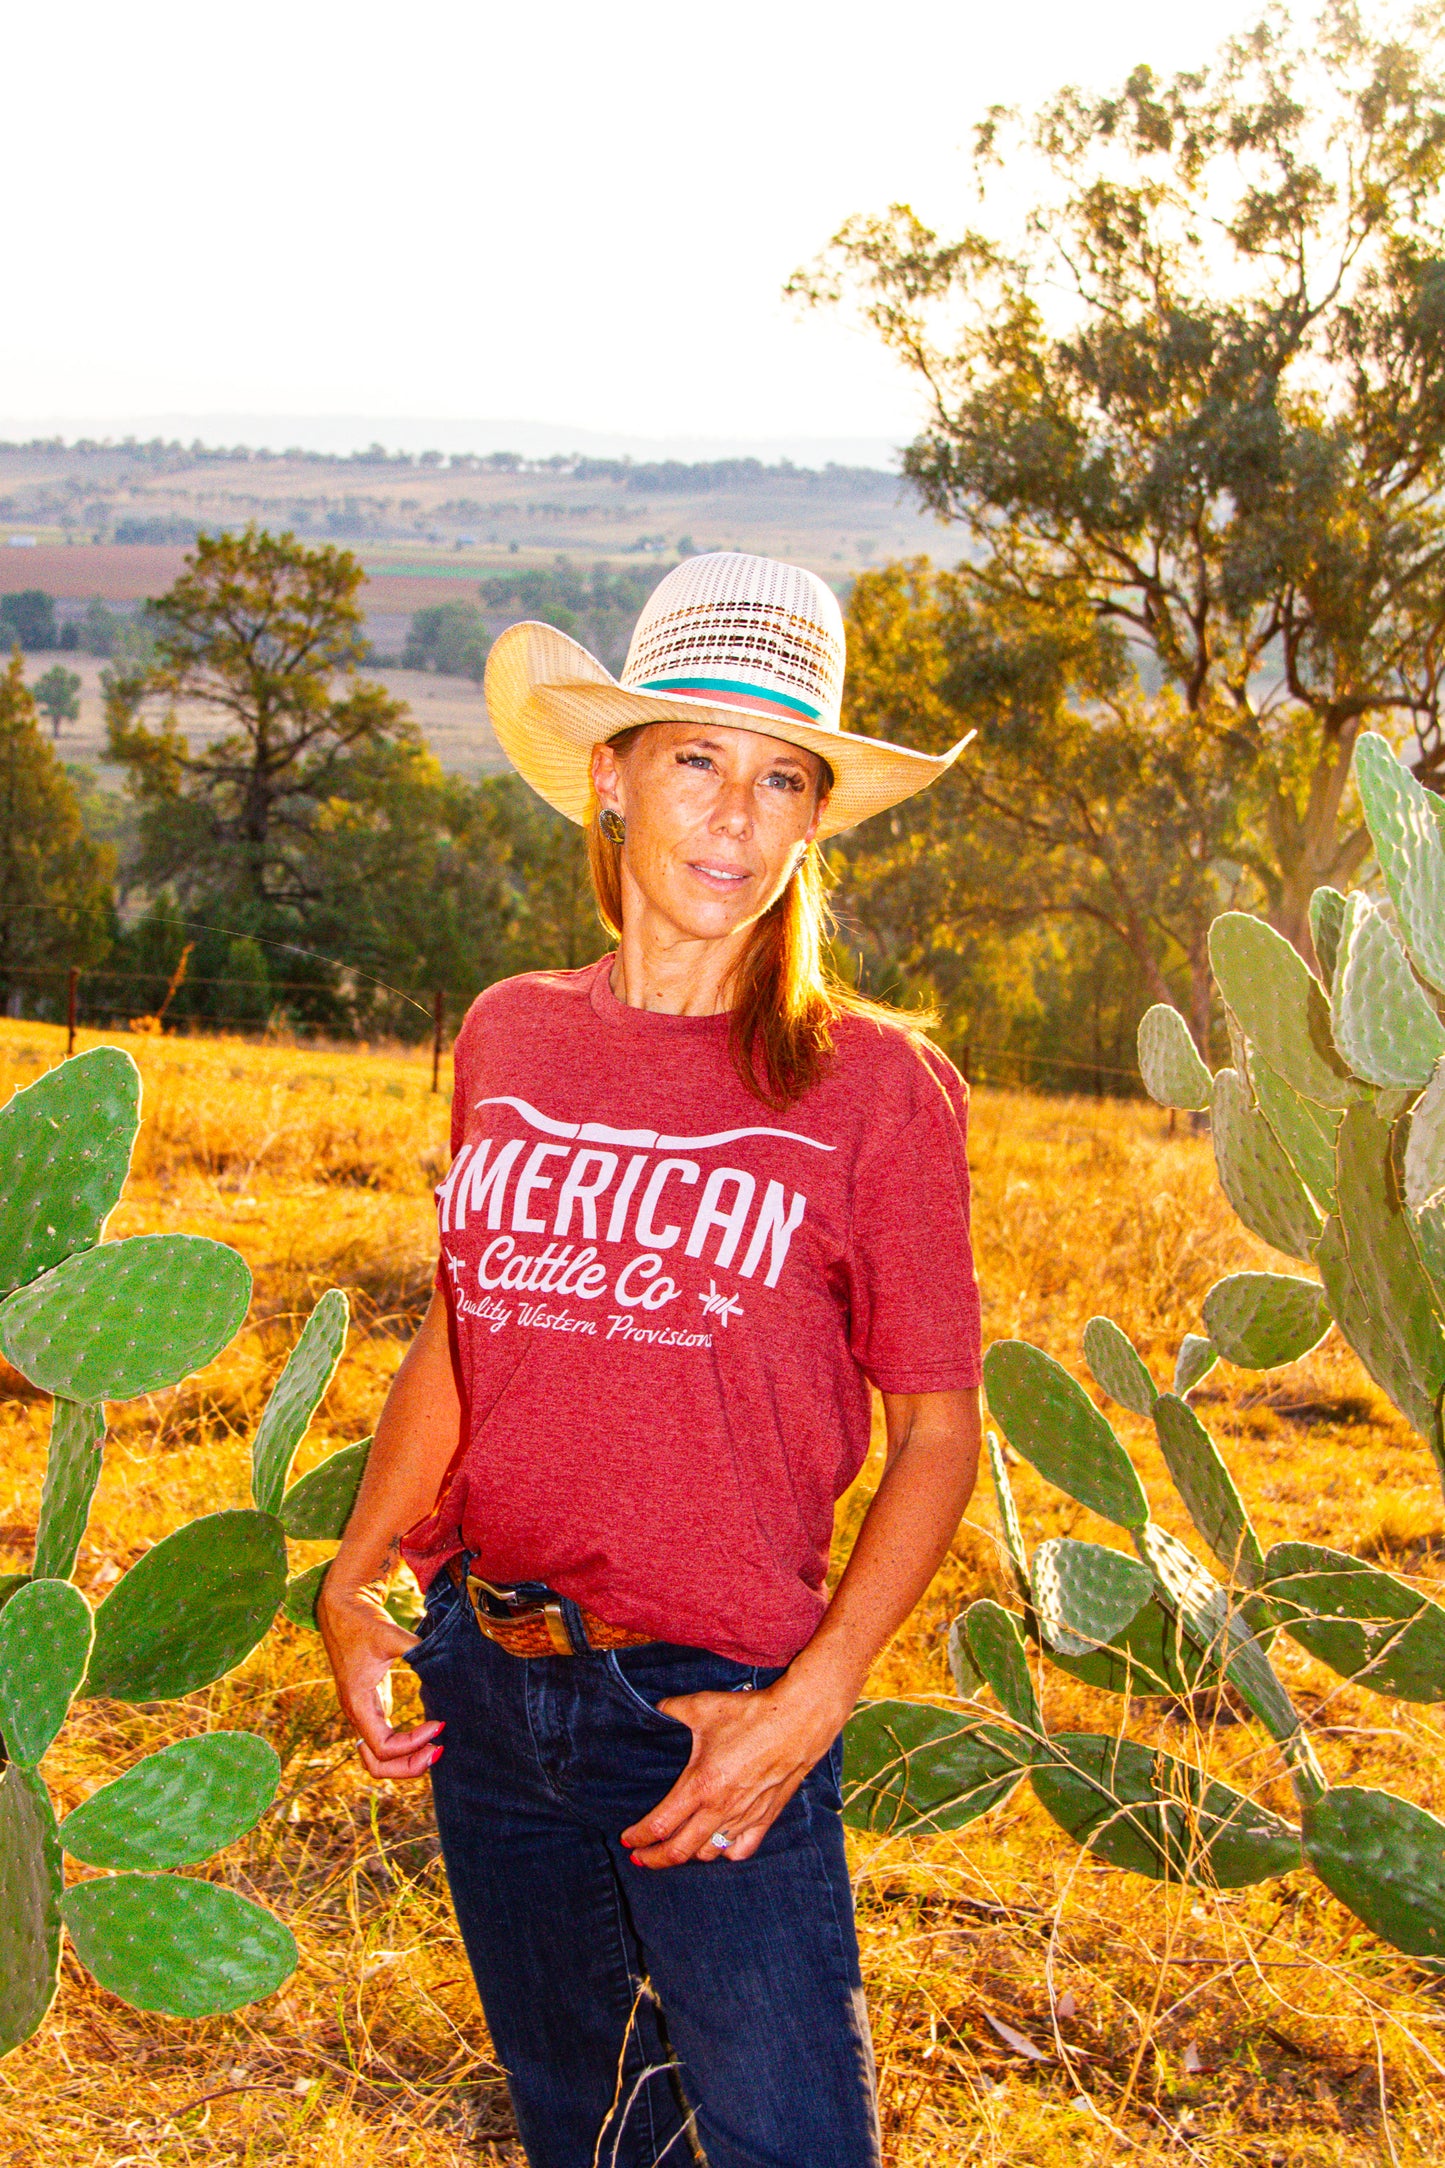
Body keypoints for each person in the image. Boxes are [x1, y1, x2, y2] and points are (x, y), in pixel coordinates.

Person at [319, 551, 983, 2168]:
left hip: (716, 1713)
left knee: (785, 2149)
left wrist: (809, 1706)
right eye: (692, 758)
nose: (732, 819)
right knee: (591, 2135)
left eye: (779, 780)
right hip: (492, 1687)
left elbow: (940, 1433)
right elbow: (470, 1330)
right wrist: (351, 1579)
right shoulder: (509, 1033)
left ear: (812, 819)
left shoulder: (873, 1088)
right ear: (608, 778)